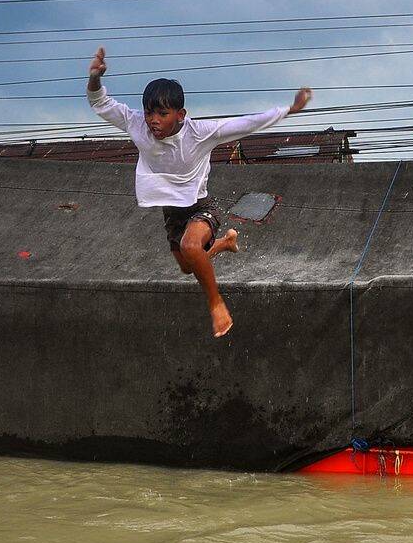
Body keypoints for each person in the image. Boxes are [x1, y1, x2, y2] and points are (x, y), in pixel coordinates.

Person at [86, 46, 312, 337]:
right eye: (149, 113)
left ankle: (217, 305)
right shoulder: (136, 124)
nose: (154, 120)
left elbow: (246, 124)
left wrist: (288, 110)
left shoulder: (200, 132)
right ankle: (226, 243)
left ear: (180, 114)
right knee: (186, 266)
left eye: (163, 114)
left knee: (191, 248)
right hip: (171, 210)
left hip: (201, 207)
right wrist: (94, 77)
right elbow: (99, 102)